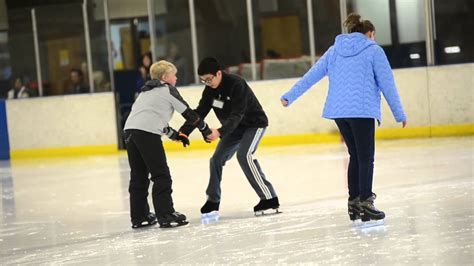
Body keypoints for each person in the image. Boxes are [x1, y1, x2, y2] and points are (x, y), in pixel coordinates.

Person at [281, 13, 407, 223]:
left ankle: (354, 203)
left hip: (340, 113)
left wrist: (289, 96)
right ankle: (366, 202)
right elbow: (388, 84)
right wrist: (399, 113)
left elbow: (311, 75)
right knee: (366, 157)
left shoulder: (334, 51)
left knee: (355, 156)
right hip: (362, 111)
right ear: (370, 34)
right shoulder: (373, 50)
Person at [179, 57, 280, 216]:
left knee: (244, 155)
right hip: (233, 130)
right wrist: (184, 131)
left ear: (219, 73)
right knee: (216, 159)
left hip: (254, 124)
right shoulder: (209, 91)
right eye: (204, 81)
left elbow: (237, 114)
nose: (208, 83)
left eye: (209, 79)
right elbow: (200, 112)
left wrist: (219, 131)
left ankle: (269, 198)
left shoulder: (236, 84)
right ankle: (213, 201)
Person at [123, 60, 212, 228]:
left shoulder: (144, 92)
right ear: (165, 77)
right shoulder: (167, 89)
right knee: (161, 175)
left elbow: (153, 119)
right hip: (147, 134)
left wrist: (176, 135)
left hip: (130, 132)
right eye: (174, 74)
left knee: (138, 177)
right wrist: (205, 129)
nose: (176, 77)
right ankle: (165, 214)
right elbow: (188, 113)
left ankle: (139, 217)